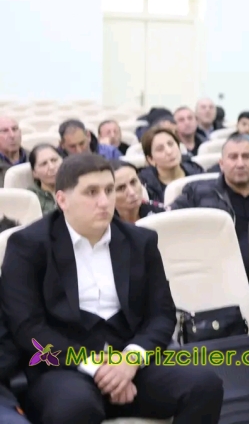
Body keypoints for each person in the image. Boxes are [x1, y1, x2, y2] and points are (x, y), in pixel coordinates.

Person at [0, 153, 224, 424]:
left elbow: (162, 314)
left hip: (131, 360)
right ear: (62, 200)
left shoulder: (140, 240)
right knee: (74, 408)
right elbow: (27, 327)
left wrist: (130, 360)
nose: (104, 201)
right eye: (91, 192)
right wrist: (97, 368)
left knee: (205, 384)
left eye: (109, 190)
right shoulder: (28, 245)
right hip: (63, 366)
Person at [170, 134, 249, 304]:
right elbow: (170, 226)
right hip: (217, 282)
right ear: (221, 164)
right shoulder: (197, 193)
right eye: (233, 157)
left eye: (246, 157)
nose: (240, 163)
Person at [137, 125, 204, 202]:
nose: (169, 151)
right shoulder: (145, 186)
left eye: (171, 144)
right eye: (160, 149)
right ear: (151, 159)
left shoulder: (197, 171)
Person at [28, 144, 62, 214]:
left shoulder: (75, 187)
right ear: (34, 173)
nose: (51, 167)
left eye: (54, 160)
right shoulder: (30, 198)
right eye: (44, 164)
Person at [0, 116, 28, 187]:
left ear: (20, 133)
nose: (12, 135)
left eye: (14, 129)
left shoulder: (35, 159)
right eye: (5, 131)